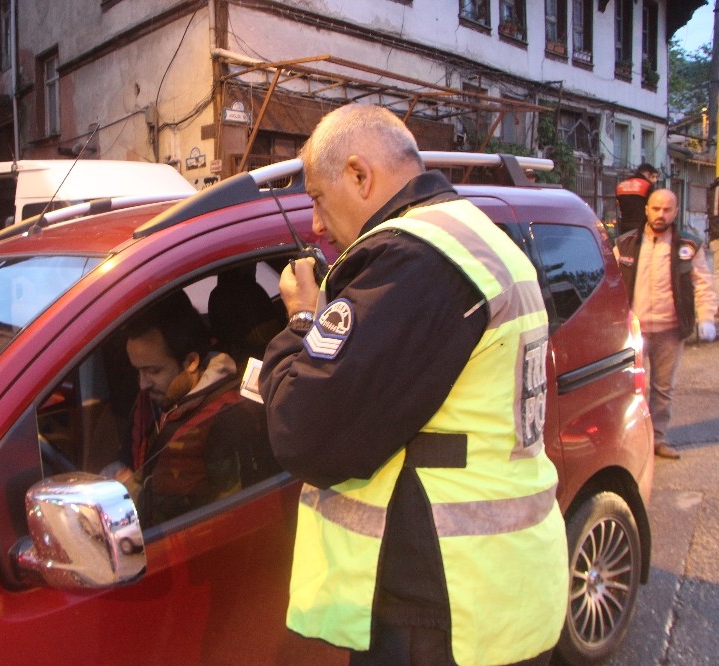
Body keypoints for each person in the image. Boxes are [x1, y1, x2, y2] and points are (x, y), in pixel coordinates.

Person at [259, 104, 568, 665]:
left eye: (317, 198)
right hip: (500, 590)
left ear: (359, 175)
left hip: (440, 611)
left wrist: (302, 321)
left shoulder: (413, 259)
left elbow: (301, 430)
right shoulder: (473, 235)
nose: (316, 226)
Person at [104, 291, 270, 525]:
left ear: (191, 362)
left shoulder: (228, 418)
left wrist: (134, 493)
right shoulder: (155, 398)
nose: (142, 384)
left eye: (153, 371)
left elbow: (226, 518)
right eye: (138, 371)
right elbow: (129, 459)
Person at [614, 188, 717, 459]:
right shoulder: (625, 243)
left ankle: (657, 439)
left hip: (670, 330)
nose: (661, 214)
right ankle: (631, 440)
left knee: (663, 388)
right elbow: (610, 283)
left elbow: (703, 284)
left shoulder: (689, 246)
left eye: (667, 209)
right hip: (632, 331)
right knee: (629, 387)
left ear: (675, 211)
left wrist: (707, 318)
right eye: (656, 209)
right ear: (647, 209)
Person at [615, 163, 659, 237]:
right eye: (653, 177)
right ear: (646, 174)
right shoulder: (647, 185)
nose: (655, 180)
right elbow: (653, 206)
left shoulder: (621, 185)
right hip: (641, 228)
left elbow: (618, 206)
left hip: (624, 228)